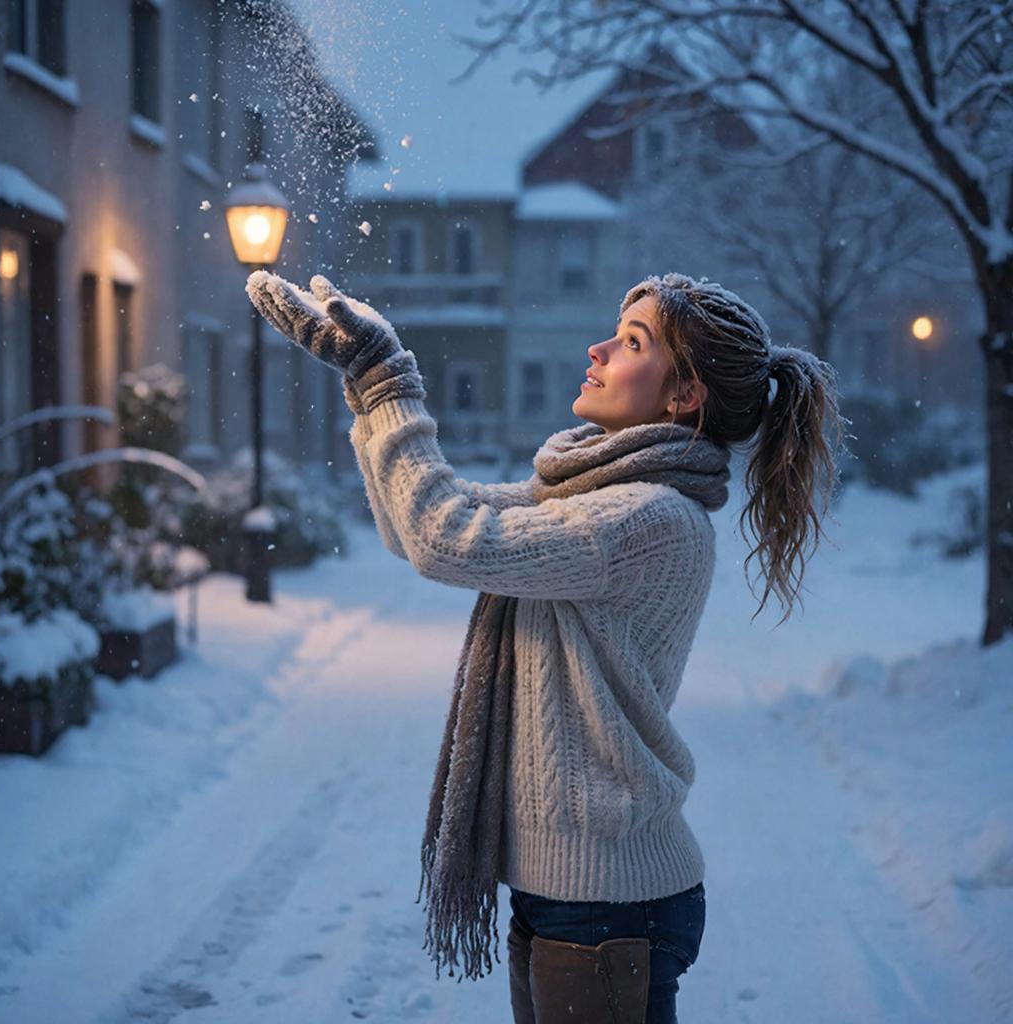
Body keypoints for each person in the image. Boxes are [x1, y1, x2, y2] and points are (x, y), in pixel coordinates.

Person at [246, 269, 846, 1023]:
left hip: (606, 899)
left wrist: (389, 377)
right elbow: (419, 530)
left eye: (632, 342)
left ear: (684, 395)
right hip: (571, 894)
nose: (598, 349)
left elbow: (448, 538)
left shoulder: (648, 519)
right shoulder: (591, 498)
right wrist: (370, 395)